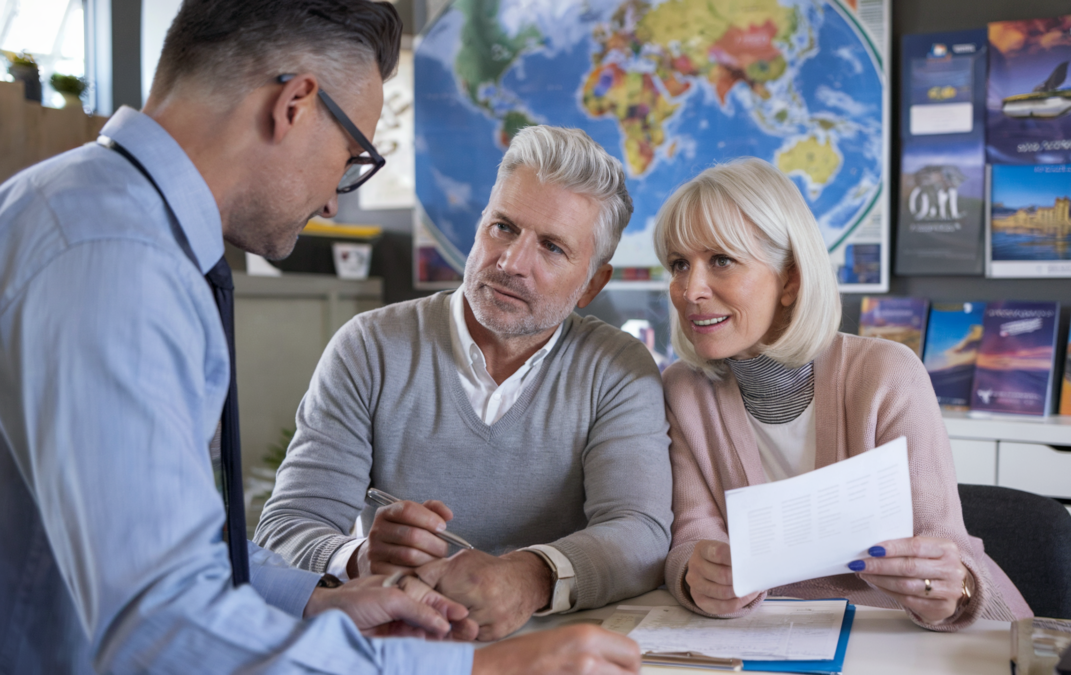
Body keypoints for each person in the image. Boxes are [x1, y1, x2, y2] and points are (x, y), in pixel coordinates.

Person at [0, 1, 639, 673]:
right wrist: (488, 668)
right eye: (351, 154)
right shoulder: (116, 259)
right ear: (296, 105)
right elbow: (165, 625)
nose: (336, 198)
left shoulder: (88, 215)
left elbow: (159, 552)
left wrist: (314, 599)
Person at [254, 124, 674, 641]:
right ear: (479, 226)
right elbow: (285, 529)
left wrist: (529, 577)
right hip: (404, 649)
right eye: (503, 227)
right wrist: (359, 557)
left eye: (551, 248)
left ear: (592, 284)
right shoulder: (369, 347)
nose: (512, 263)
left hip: (552, 655)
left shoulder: (617, 369)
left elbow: (641, 533)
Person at [654, 158, 1033, 630]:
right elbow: (691, 534)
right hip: (763, 636)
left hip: (906, 634)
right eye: (678, 265)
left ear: (790, 279)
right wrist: (695, 575)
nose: (690, 290)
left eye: (721, 260)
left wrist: (951, 585)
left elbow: (946, 546)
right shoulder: (682, 390)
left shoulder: (886, 373)